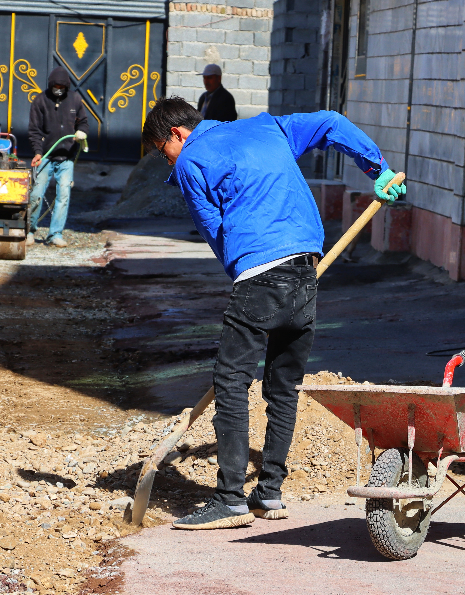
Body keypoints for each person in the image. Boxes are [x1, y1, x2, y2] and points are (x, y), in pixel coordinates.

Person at [142, 98, 404, 530]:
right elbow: (331, 122)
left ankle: (229, 499)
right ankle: (270, 494)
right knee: (283, 387)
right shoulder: (267, 127)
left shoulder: (190, 160)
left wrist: (243, 273)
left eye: (161, 150)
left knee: (231, 381)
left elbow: (215, 231)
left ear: (176, 134)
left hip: (259, 276)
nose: (166, 160)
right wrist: (379, 171)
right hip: (308, 270)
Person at [27, 66, 88, 248]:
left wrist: (81, 132)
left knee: (63, 196)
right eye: (56, 86)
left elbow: (83, 122)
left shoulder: (75, 100)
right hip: (45, 156)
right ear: (51, 85)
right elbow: (34, 131)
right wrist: (38, 152)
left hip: (67, 158)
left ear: (67, 86)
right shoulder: (40, 101)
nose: (59, 89)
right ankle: (29, 230)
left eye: (62, 86)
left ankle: (55, 234)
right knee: (36, 194)